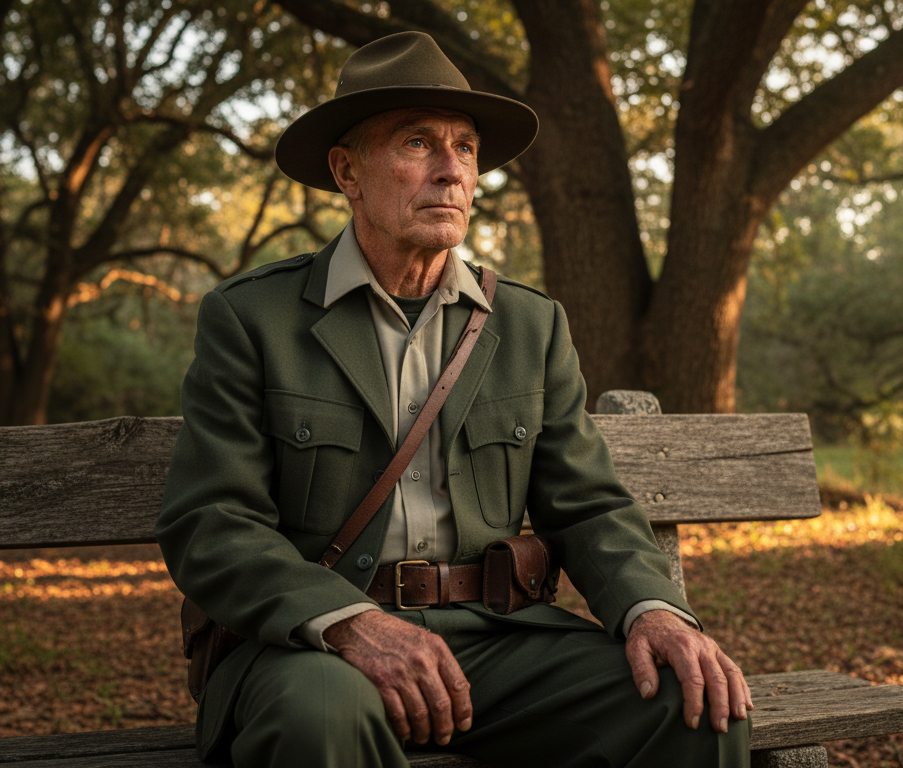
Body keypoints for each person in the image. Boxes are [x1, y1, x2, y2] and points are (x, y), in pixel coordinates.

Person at [156, 31, 752, 768]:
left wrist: (653, 608)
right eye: (417, 143)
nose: (452, 172)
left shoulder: (530, 324)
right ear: (348, 171)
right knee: (320, 721)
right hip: (314, 645)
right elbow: (211, 521)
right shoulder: (255, 319)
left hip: (496, 640)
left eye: (465, 148)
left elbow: (588, 504)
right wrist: (349, 622)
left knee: (695, 707)